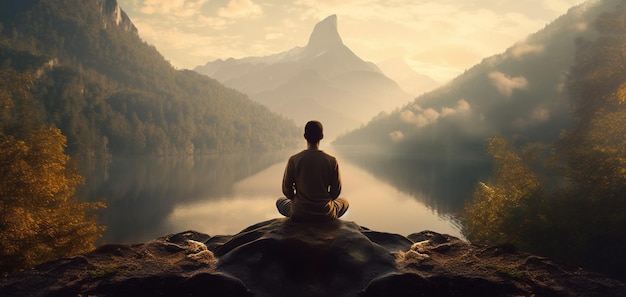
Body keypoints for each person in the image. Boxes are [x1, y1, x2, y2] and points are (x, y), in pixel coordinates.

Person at [276, 120, 349, 222]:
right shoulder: (332, 161)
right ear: (322, 136)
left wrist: (297, 200)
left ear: (305, 136)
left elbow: (286, 190)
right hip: (325, 213)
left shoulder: (294, 159)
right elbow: (335, 193)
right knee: (344, 202)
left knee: (280, 201)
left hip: (299, 213)